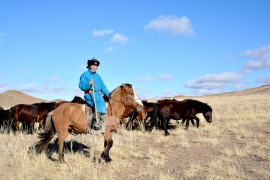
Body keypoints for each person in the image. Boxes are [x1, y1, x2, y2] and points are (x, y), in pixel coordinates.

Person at [79, 57, 110, 133]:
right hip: (89, 94)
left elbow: (103, 86)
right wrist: (88, 84)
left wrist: (109, 95)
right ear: (89, 66)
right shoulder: (84, 75)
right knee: (99, 102)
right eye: (93, 66)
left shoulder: (98, 76)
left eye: (96, 66)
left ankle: (104, 121)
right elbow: (81, 86)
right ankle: (96, 124)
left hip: (97, 94)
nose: (94, 67)